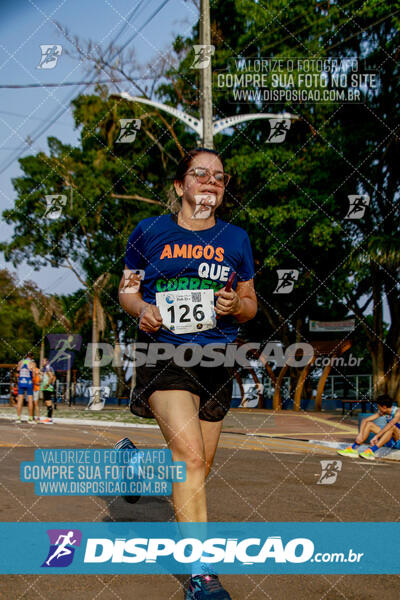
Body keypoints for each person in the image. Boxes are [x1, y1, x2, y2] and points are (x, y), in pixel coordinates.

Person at [119, 147, 257, 600]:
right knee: (192, 459)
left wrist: (236, 305)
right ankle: (201, 575)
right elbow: (128, 291)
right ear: (180, 186)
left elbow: (250, 303)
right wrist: (142, 309)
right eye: (200, 174)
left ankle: (137, 466)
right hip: (164, 354)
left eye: (219, 176)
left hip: (217, 360)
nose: (211, 181)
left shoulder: (236, 239)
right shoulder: (149, 231)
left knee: (197, 467)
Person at [337, 394, 400, 461]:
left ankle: (371, 451)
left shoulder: (398, 412)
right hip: (390, 439)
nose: (378, 408)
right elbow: (365, 420)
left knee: (393, 427)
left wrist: (377, 436)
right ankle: (353, 448)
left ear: (384, 407)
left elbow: (391, 424)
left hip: (398, 441)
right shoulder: (384, 411)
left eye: (378, 407)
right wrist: (360, 434)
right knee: (369, 424)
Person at [16, 352, 36, 423]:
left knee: (20, 400)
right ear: (32, 357)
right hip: (29, 382)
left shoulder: (20, 362)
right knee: (30, 400)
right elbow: (33, 375)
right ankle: (30, 418)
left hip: (21, 382)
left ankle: (18, 418)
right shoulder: (32, 363)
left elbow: (18, 370)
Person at [41, 358, 56, 424]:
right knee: (47, 402)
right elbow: (53, 377)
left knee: (48, 402)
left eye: (43, 361)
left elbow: (51, 377)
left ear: (47, 362)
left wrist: (47, 384)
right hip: (46, 387)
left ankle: (49, 419)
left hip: (47, 388)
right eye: (42, 361)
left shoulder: (48, 368)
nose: (42, 362)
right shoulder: (46, 368)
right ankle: (48, 418)